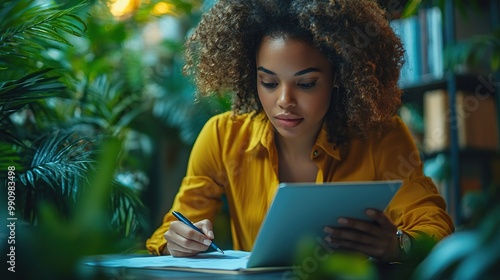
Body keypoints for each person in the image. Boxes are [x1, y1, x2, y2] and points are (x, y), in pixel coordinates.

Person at [146, 0, 454, 263]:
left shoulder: (380, 136)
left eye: (306, 84)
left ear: (338, 76)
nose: (284, 102)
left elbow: (436, 229)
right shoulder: (222, 136)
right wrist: (177, 241)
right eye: (268, 82)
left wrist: (398, 244)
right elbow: (170, 230)